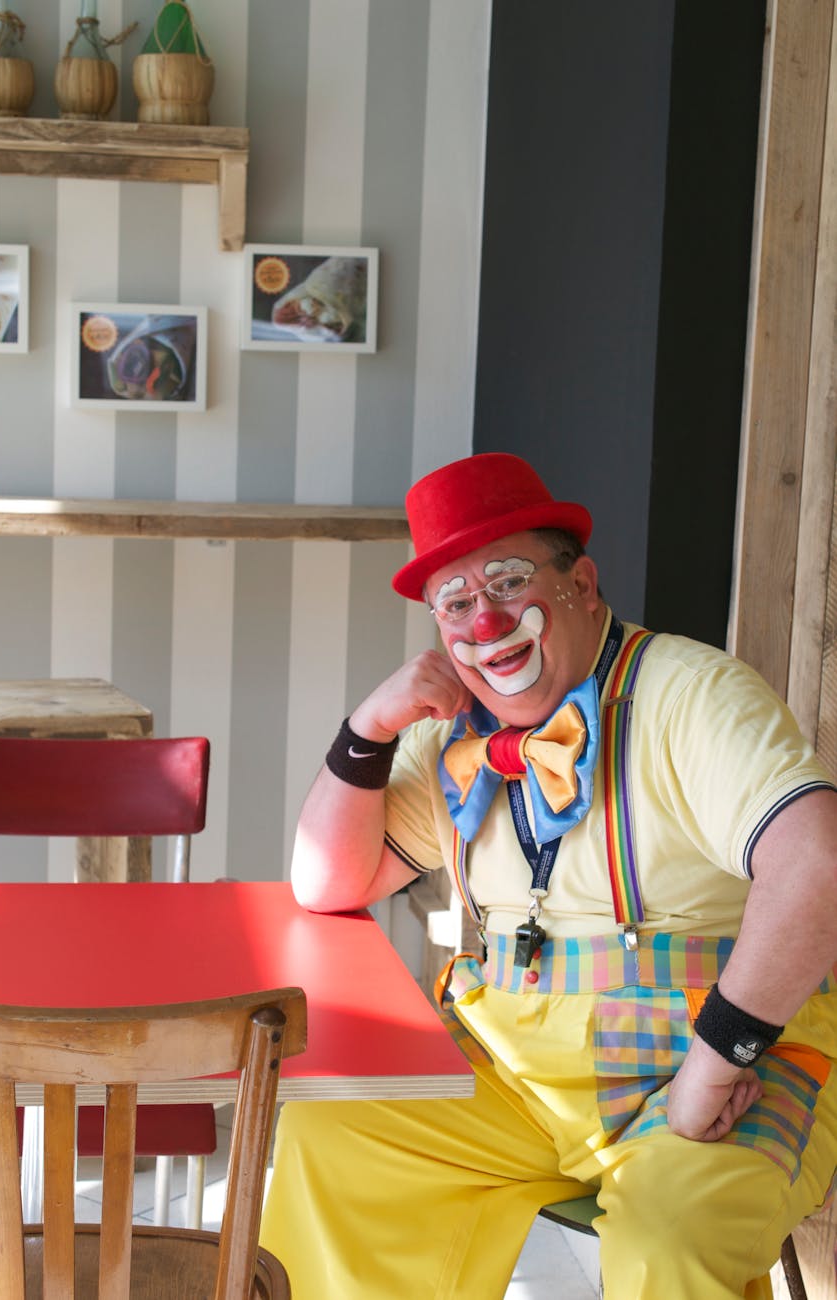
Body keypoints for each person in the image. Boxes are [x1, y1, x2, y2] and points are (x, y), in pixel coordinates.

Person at [261, 452, 837, 1299]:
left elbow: (818, 864)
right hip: (513, 1079)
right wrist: (368, 729)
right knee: (332, 1139)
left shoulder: (691, 694)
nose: (486, 622)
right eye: (455, 603)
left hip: (719, 1070)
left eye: (506, 582)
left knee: (668, 1237)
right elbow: (326, 882)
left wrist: (713, 1066)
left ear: (582, 585)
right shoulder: (452, 732)